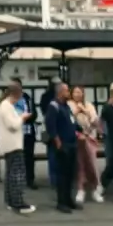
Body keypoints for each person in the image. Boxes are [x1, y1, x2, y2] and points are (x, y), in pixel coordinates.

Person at [0, 82, 36, 214]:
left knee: (10, 174)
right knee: (17, 175)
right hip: (13, 145)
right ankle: (18, 204)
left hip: (10, 145)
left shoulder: (5, 105)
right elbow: (13, 125)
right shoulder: (6, 106)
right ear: (17, 94)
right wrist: (22, 118)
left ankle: (10, 201)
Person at [44, 83, 82, 213]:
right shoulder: (53, 106)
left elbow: (72, 122)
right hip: (62, 145)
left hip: (72, 144)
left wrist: (79, 131)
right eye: (66, 91)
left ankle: (68, 199)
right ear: (60, 92)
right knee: (62, 175)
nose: (68, 92)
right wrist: (57, 141)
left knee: (70, 174)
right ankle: (61, 202)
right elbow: (51, 126)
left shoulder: (66, 106)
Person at [68, 86, 104, 204]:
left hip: (89, 138)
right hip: (76, 138)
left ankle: (95, 188)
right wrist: (76, 111)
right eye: (75, 92)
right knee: (80, 165)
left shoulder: (89, 105)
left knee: (91, 164)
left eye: (80, 92)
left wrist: (85, 111)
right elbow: (68, 120)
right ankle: (81, 189)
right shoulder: (69, 105)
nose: (77, 94)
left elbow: (95, 121)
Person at [11, 77, 38, 189]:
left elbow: (34, 113)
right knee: (15, 157)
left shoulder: (27, 98)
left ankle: (30, 180)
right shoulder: (8, 100)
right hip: (14, 132)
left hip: (28, 131)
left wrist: (27, 117)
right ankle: (16, 180)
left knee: (29, 157)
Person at [39, 76, 62, 187]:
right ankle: (56, 179)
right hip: (54, 127)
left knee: (52, 154)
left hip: (51, 127)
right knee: (54, 154)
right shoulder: (53, 97)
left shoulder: (45, 96)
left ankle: (54, 179)